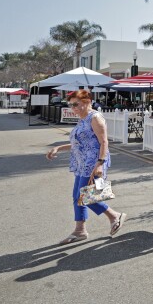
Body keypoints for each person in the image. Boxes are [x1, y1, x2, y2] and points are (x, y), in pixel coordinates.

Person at [45, 90, 126, 245]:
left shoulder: (95, 118)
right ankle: (80, 230)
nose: (73, 108)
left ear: (87, 102)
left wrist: (100, 163)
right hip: (82, 163)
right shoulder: (82, 119)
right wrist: (58, 148)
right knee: (78, 196)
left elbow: (104, 142)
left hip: (93, 162)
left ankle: (114, 216)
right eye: (70, 105)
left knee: (85, 195)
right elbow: (79, 143)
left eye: (76, 104)